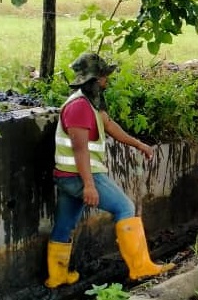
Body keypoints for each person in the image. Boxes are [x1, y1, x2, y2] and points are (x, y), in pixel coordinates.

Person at [46, 53, 174, 289]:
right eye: (104, 77)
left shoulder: (90, 103)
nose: (106, 81)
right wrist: (89, 185)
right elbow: (80, 150)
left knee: (65, 223)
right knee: (124, 207)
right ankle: (141, 268)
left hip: (68, 176)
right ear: (94, 79)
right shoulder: (79, 108)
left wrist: (139, 144)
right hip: (80, 175)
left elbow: (110, 125)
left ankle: (57, 276)